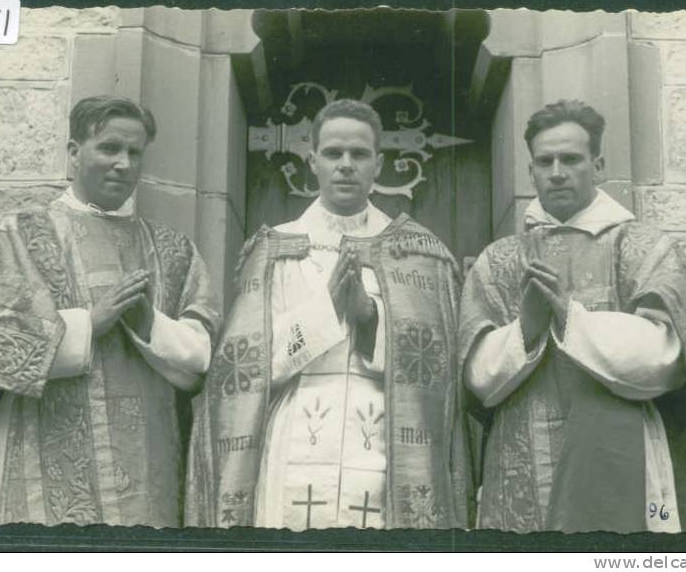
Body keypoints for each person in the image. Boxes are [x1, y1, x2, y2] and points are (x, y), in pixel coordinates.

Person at [458, 99, 686, 534]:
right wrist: (527, 329)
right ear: (531, 172)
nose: (557, 171)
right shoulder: (499, 260)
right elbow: (476, 380)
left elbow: (668, 359)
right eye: (545, 161)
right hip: (520, 454)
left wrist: (571, 319)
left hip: (621, 453)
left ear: (597, 166)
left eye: (571, 159)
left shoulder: (642, 247)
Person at [185, 99, 472, 529]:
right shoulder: (276, 247)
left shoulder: (416, 252)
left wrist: (370, 318)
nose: (345, 165)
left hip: (384, 440)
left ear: (379, 164)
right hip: (294, 435)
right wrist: (326, 312)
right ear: (312, 159)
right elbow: (246, 366)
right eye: (334, 153)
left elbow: (437, 370)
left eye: (359, 154)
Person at [0, 95, 220, 527]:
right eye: (109, 148)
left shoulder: (173, 250)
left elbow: (202, 357)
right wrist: (88, 324)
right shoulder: (18, 233)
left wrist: (149, 325)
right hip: (39, 446)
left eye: (134, 152)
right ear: (73, 152)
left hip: (149, 461)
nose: (123, 163)